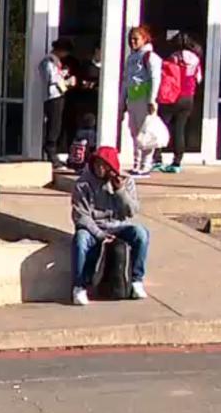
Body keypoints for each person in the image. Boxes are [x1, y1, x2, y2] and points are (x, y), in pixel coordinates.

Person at [70, 146, 150, 307]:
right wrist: (99, 234)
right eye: (97, 164)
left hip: (118, 226)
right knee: (80, 240)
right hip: (94, 227)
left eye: (104, 165)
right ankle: (79, 286)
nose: (99, 169)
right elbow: (80, 216)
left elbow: (131, 211)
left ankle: (136, 280)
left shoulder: (126, 182)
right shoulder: (83, 184)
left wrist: (120, 191)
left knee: (141, 234)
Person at [156, 34, 204, 174]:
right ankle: (177, 162)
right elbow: (199, 79)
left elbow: (166, 75)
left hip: (172, 95)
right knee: (180, 129)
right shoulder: (196, 59)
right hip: (188, 97)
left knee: (162, 126)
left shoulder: (174, 57)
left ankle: (157, 157)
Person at [122, 26, 162, 178]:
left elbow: (155, 78)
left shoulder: (150, 57)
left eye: (136, 39)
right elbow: (126, 81)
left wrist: (152, 99)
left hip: (144, 99)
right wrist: (122, 102)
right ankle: (136, 164)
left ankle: (146, 165)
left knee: (145, 133)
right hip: (133, 98)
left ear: (144, 39)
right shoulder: (131, 58)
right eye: (130, 39)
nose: (132, 42)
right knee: (134, 132)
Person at [39, 38, 76, 168]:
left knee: (57, 124)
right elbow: (52, 79)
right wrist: (67, 81)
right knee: (53, 125)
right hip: (52, 97)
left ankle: (53, 152)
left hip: (59, 95)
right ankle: (51, 152)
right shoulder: (48, 62)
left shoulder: (56, 62)